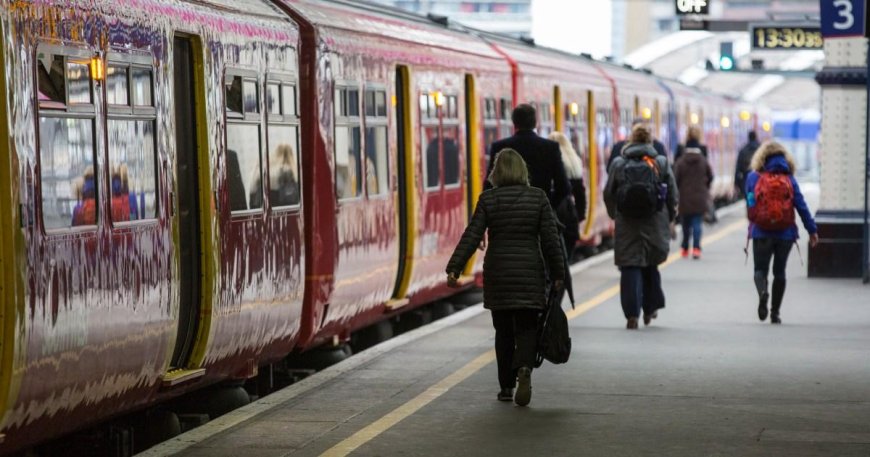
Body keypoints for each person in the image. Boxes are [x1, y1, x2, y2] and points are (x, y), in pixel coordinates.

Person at [447, 149, 565, 407]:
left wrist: (454, 267)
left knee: (503, 332)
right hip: (529, 272)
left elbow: (472, 234)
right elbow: (550, 241)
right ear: (523, 171)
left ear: (496, 173)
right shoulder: (538, 198)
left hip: (499, 272)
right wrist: (558, 274)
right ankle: (524, 368)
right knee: (526, 327)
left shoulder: (488, 199)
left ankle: (505, 387)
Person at [604, 124, 677, 329]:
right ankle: (650, 308)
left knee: (630, 266)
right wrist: (670, 216)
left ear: (631, 140)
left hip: (627, 223)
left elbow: (608, 193)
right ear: (649, 141)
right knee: (650, 263)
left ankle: (631, 315)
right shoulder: (660, 162)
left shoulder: (619, 163)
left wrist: (614, 214)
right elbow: (672, 193)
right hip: (655, 221)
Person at [745, 142, 819, 324]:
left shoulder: (753, 177)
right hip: (785, 234)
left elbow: (750, 202)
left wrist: (754, 219)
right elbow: (801, 205)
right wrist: (812, 230)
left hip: (761, 232)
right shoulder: (790, 179)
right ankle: (775, 313)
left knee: (760, 270)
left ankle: (763, 292)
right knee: (780, 273)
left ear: (761, 157)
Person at [486, 104, 570, 209]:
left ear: (514, 123)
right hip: (539, 217)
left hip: (508, 217)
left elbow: (489, 187)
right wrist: (547, 207)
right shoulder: (550, 147)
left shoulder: (499, 147)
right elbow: (563, 187)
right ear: (535, 123)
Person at [548, 131, 587, 255]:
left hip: (555, 215)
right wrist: (579, 216)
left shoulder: (552, 162)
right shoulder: (575, 162)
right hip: (570, 216)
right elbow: (580, 193)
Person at [674, 143, 713, 259]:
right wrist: (705, 186)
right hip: (699, 197)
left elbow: (675, 179)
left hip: (684, 197)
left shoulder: (680, 162)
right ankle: (696, 249)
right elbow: (711, 176)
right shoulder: (703, 161)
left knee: (685, 225)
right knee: (697, 224)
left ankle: (685, 248)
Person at [734, 131, 760, 199]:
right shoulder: (761, 149)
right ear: (756, 137)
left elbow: (738, 168)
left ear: (748, 138)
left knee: (750, 204)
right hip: (760, 183)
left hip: (748, 183)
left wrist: (736, 184)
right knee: (760, 204)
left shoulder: (743, 150)